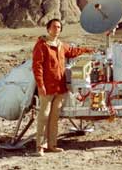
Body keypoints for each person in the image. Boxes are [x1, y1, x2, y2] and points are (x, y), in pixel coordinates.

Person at [32, 18, 94, 156]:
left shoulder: (61, 45)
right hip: (47, 87)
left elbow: (72, 51)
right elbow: (37, 67)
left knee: (54, 117)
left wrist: (86, 50)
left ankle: (52, 145)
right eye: (54, 26)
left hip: (60, 87)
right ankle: (40, 146)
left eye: (59, 27)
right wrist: (40, 85)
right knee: (44, 116)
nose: (57, 29)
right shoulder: (42, 45)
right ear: (48, 29)